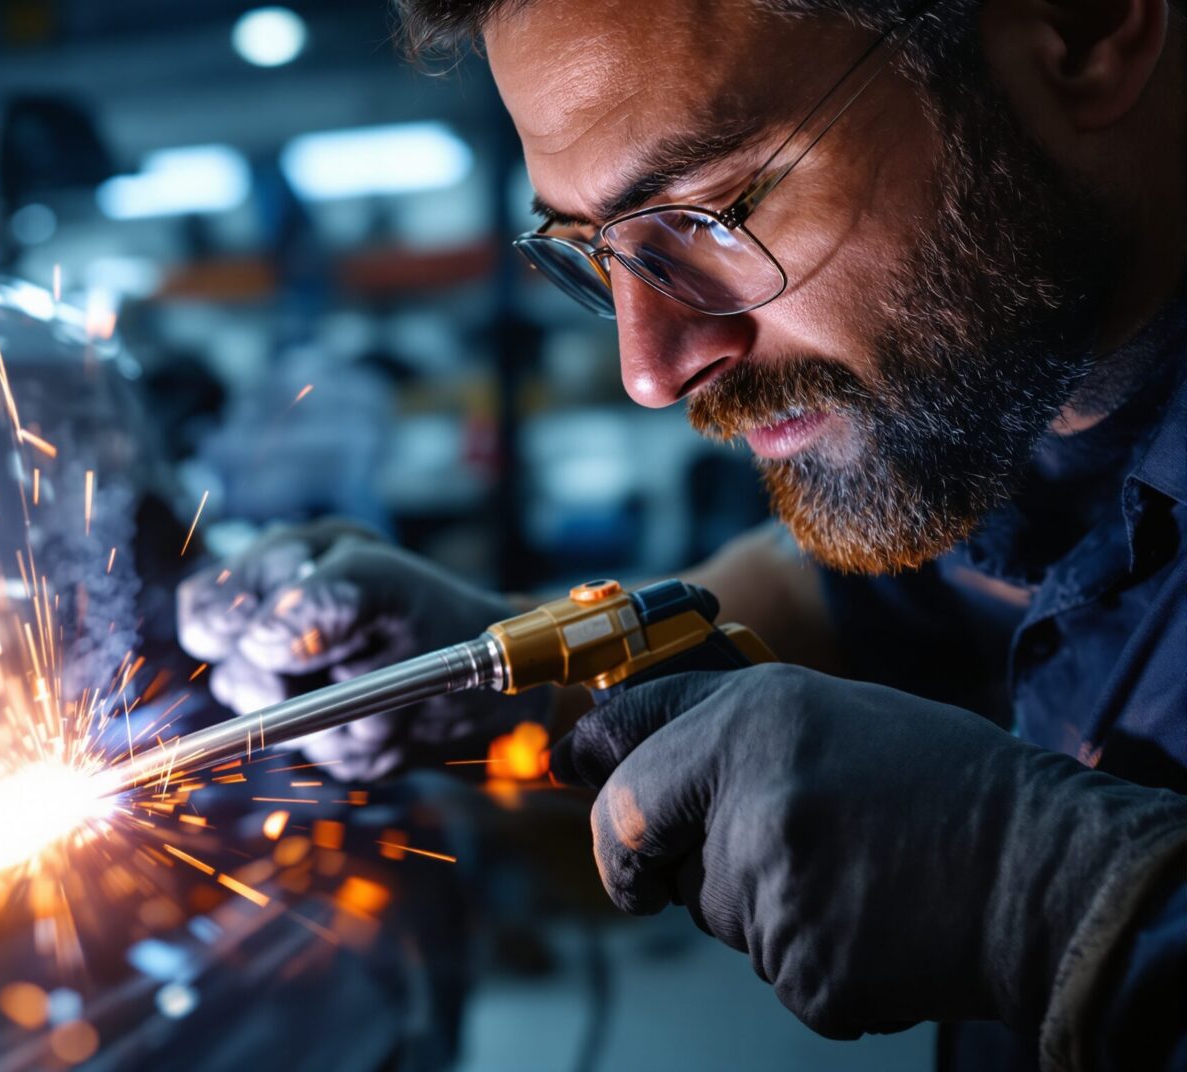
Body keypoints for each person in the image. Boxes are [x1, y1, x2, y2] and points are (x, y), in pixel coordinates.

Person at [175, 0, 1187, 1067]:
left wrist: (1079, 901)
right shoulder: (1022, 383)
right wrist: (521, 667)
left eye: (708, 213)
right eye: (594, 255)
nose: (650, 372)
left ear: (1080, 30)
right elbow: (843, 606)